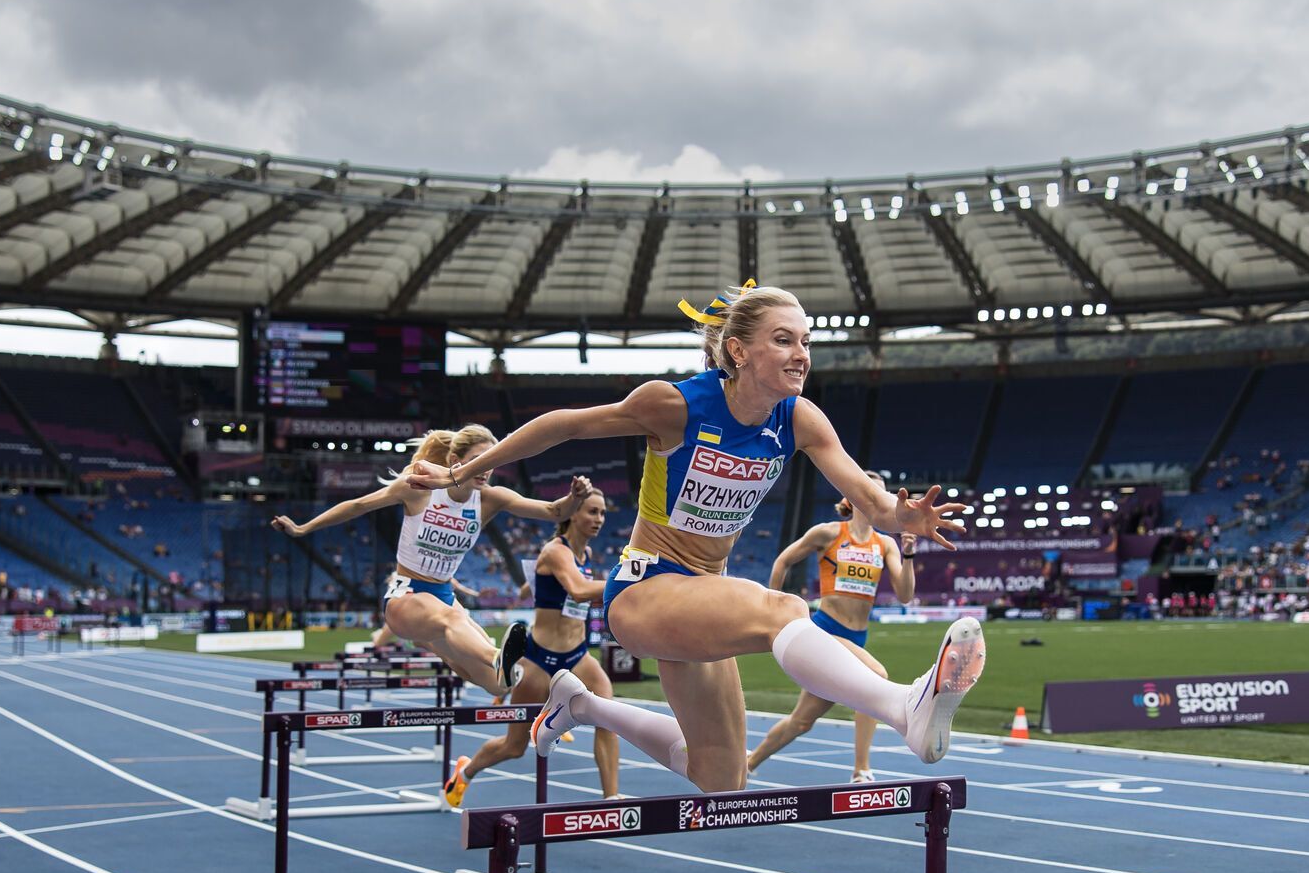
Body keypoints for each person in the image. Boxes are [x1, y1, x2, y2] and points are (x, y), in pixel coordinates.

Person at [409, 281, 983, 793]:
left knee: (720, 778)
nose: (802, 355)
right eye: (784, 340)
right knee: (783, 609)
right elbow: (562, 425)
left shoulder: (800, 419)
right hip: (646, 589)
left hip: (703, 595)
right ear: (738, 350)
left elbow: (871, 498)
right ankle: (904, 708)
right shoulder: (676, 405)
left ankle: (583, 705)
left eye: (806, 341)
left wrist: (903, 518)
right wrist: (459, 475)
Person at [270, 424, 591, 699]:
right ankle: (497, 655)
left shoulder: (492, 498)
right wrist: (304, 528)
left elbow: (554, 512)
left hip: (443, 599)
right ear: (455, 461)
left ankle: (487, 662)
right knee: (456, 624)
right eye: (478, 460)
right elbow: (357, 505)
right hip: (405, 597)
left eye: (492, 462)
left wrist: (574, 498)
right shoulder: (419, 490)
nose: (486, 469)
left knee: (497, 687)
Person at [444, 489, 621, 806]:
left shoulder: (587, 556)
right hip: (539, 660)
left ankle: (611, 800)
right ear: (572, 515)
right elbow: (579, 592)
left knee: (609, 718)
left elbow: (543, 587)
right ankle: (465, 772)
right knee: (514, 747)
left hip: (578, 656)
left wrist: (528, 588)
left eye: (603, 513)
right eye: (592, 512)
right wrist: (628, 582)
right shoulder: (555, 551)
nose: (599, 520)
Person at [745, 474, 917, 783]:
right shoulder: (828, 533)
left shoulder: (886, 544)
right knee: (874, 679)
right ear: (854, 496)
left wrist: (908, 555)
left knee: (800, 722)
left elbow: (905, 595)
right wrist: (774, 606)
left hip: (856, 638)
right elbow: (783, 561)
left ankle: (747, 764)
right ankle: (861, 770)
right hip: (824, 631)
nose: (879, 496)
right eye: (872, 490)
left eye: (882, 492)